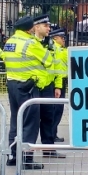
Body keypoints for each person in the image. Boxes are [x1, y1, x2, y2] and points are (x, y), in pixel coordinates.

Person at [3, 15, 53, 170]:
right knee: (30, 123)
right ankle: (26, 158)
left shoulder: (10, 42)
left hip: (12, 84)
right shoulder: (31, 43)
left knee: (15, 121)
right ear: (30, 28)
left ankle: (13, 156)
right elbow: (49, 60)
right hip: (28, 86)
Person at [37, 20, 65, 158]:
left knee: (49, 117)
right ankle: (24, 152)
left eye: (49, 26)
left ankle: (48, 149)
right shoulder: (32, 43)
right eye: (46, 26)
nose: (49, 28)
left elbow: (57, 67)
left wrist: (58, 85)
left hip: (49, 85)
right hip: (34, 85)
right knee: (31, 120)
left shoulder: (53, 47)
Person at [50, 28, 69, 143]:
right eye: (62, 38)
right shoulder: (58, 50)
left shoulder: (60, 49)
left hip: (59, 81)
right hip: (58, 82)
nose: (64, 40)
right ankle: (52, 134)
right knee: (56, 110)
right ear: (55, 38)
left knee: (56, 110)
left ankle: (53, 133)